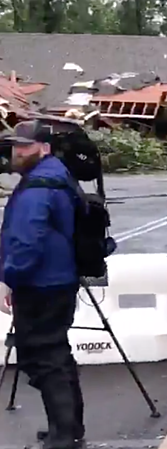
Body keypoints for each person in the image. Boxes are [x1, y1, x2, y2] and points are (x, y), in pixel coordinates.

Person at [0, 120, 84, 449]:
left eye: (25, 146)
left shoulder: (37, 186)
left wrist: (8, 279)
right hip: (60, 279)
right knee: (57, 354)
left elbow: (26, 241)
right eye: (15, 146)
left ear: (44, 148)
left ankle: (64, 435)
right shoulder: (57, 174)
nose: (18, 152)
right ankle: (68, 428)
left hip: (41, 284)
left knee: (42, 359)